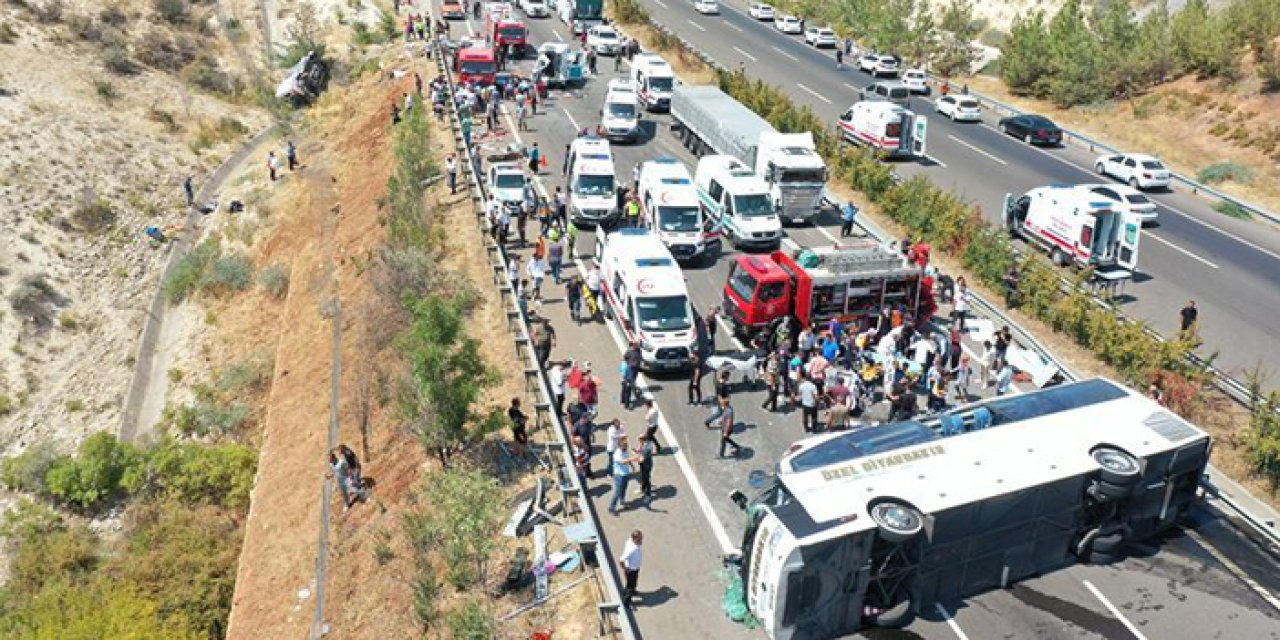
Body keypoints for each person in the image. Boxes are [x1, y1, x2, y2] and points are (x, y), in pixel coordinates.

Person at [609, 436, 639, 514]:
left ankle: (622, 501)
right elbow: (623, 461)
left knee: (624, 489)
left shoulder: (625, 451)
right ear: (620, 445)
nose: (626, 446)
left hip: (625, 473)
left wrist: (632, 467)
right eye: (624, 445)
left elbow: (627, 459)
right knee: (618, 491)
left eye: (626, 444)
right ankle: (611, 507)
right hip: (619, 475)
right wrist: (633, 459)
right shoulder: (617, 453)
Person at [705, 394, 741, 458]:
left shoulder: (729, 411)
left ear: (725, 404)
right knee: (726, 439)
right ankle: (736, 446)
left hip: (727, 429)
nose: (721, 404)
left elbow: (729, 422)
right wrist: (722, 422)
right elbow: (725, 418)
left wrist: (725, 432)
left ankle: (721, 455)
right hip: (725, 427)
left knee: (723, 441)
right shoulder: (726, 408)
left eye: (722, 404)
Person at [618, 530, 643, 606]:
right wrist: (626, 568)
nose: (641, 540)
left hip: (634, 568)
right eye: (639, 539)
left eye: (641, 537)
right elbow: (621, 559)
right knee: (630, 585)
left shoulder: (630, 541)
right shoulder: (632, 548)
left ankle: (629, 591)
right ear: (634, 539)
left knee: (632, 583)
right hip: (631, 570)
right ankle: (626, 601)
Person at [636, 433, 657, 498]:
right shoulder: (645, 444)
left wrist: (635, 459)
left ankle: (648, 493)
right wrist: (637, 451)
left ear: (642, 439)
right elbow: (639, 450)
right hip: (646, 463)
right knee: (643, 478)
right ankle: (643, 489)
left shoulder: (646, 447)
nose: (638, 441)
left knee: (646, 479)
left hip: (646, 465)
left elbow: (642, 459)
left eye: (639, 439)